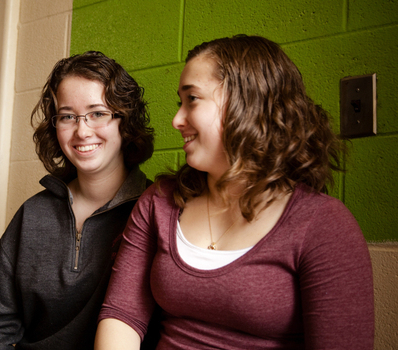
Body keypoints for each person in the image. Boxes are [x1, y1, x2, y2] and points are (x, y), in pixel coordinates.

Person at [95, 35, 375, 349]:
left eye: (193, 99)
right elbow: (122, 315)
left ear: (247, 104)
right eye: (180, 102)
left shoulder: (324, 225)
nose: (177, 120)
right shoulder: (160, 201)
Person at [0, 51, 155, 350]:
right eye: (67, 116)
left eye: (97, 113)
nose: (82, 130)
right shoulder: (33, 214)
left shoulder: (154, 213)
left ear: (124, 121)